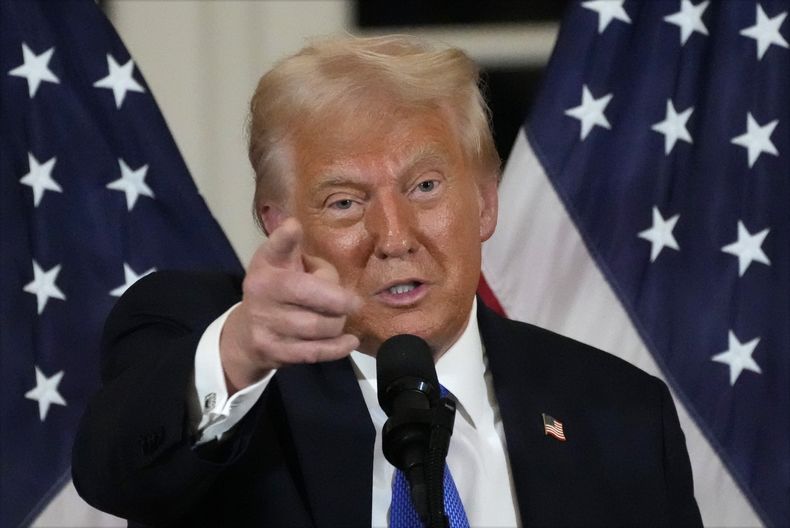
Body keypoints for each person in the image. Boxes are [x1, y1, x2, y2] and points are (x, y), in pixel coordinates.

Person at [72, 35, 702, 527]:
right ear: (277, 222)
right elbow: (115, 472)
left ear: (485, 203)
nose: (395, 237)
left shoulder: (620, 414)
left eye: (425, 187)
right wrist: (239, 351)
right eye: (344, 202)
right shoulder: (211, 343)